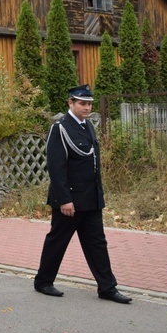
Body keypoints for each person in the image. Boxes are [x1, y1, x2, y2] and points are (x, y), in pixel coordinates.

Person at [34, 84, 131, 304]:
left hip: (91, 198)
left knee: (97, 243)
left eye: (89, 104)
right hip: (70, 200)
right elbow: (56, 168)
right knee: (58, 241)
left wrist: (99, 195)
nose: (87, 108)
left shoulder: (88, 126)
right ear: (70, 103)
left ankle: (107, 287)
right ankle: (43, 281)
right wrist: (64, 199)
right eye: (82, 104)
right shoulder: (60, 128)